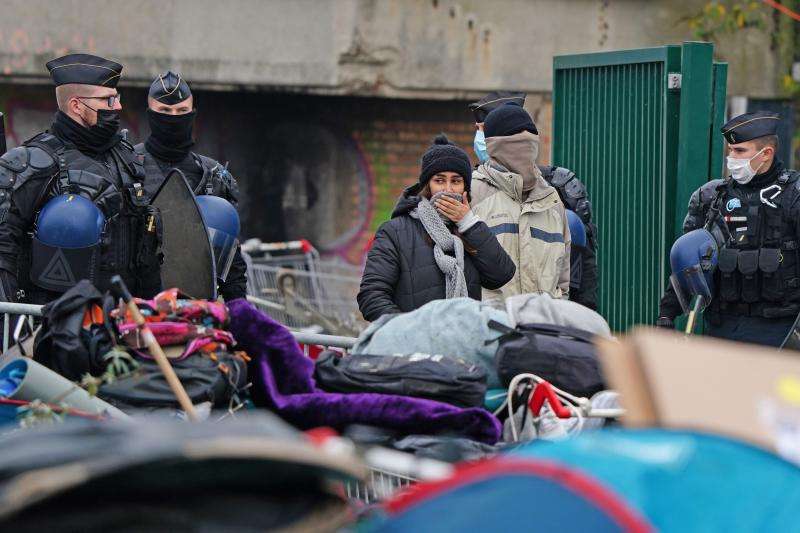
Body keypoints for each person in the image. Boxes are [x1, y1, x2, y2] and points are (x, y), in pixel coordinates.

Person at [0, 53, 162, 304]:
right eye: (108, 100)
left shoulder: (126, 159)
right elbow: (3, 250)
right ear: (76, 106)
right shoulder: (31, 163)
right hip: (57, 327)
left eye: (116, 98)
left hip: (128, 320)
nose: (117, 106)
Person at [657, 111, 800, 346]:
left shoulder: (793, 196)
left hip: (779, 331)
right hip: (723, 329)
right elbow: (687, 264)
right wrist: (666, 315)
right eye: (731, 151)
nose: (732, 157)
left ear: (766, 154)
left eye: (740, 151)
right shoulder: (712, 197)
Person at [357, 135, 515, 321]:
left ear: (465, 188)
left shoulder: (471, 231)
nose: (447, 189)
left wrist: (468, 223)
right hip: (412, 345)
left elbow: (501, 274)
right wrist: (412, 331)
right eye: (439, 181)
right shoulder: (395, 232)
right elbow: (372, 296)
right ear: (427, 186)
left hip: (462, 345)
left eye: (456, 181)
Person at [469, 91, 598, 309]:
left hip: (541, 332)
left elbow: (565, 278)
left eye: (482, 130)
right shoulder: (472, 192)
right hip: (489, 330)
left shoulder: (552, 197)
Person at [135, 71, 247, 301]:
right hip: (138, 303)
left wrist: (238, 307)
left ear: (192, 113)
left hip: (196, 306)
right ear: (150, 114)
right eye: (165, 111)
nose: (173, 117)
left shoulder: (212, 176)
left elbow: (230, 260)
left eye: (182, 111)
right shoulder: (126, 167)